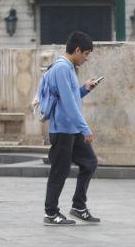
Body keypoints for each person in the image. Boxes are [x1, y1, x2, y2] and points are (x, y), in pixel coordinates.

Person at [39, 31, 102, 225]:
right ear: (77, 50)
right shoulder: (62, 69)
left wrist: (84, 89)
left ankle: (78, 206)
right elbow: (68, 103)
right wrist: (85, 128)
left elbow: (71, 97)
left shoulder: (68, 68)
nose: (85, 59)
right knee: (60, 170)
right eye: (85, 54)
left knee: (90, 163)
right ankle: (51, 213)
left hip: (71, 129)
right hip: (62, 130)